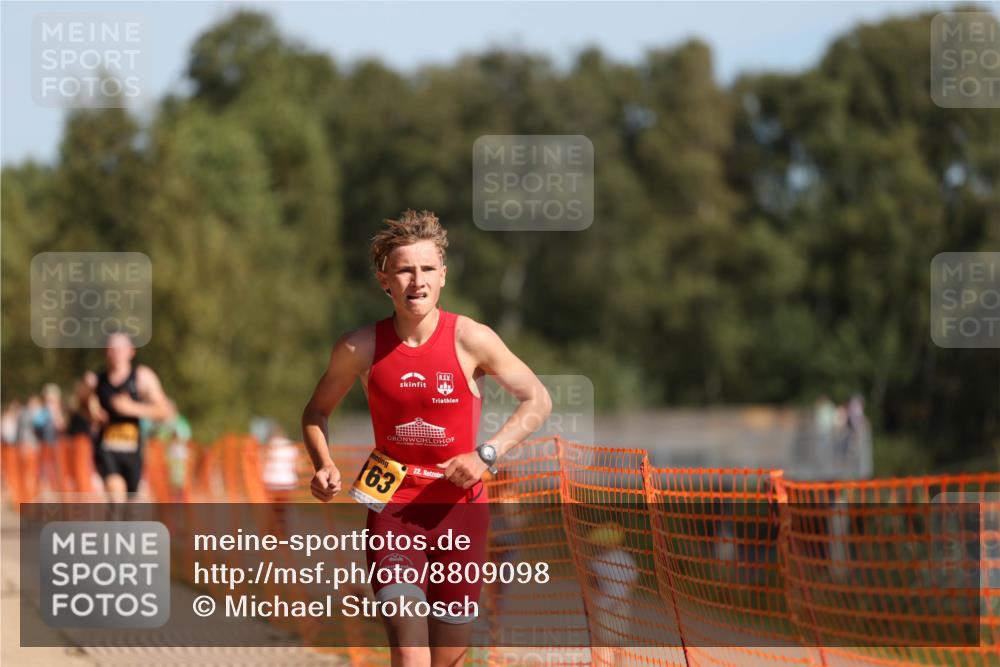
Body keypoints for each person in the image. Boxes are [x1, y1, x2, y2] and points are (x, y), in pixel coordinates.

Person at [302, 210, 552, 667]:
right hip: (391, 507)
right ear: (384, 280)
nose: (416, 281)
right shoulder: (358, 347)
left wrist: (487, 454)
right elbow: (316, 412)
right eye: (404, 270)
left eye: (426, 269)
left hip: (461, 512)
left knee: (449, 660)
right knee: (410, 651)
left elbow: (537, 399)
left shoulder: (472, 339)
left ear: (443, 276)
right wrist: (323, 463)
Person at [80, 332, 175, 503]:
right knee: (116, 496)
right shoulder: (95, 380)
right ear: (105, 351)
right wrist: (91, 412)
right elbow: (80, 404)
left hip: (133, 450)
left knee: (129, 505)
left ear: (131, 351)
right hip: (106, 448)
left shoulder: (142, 378)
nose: (116, 353)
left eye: (121, 348)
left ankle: (117, 526)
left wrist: (133, 408)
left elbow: (165, 412)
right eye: (112, 348)